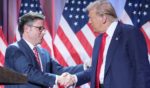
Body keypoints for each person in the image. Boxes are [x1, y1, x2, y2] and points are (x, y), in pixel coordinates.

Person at [68, 0, 150, 88]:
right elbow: (96, 70)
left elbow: (142, 70)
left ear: (103, 18)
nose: (89, 22)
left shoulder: (130, 33)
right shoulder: (98, 40)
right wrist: (74, 78)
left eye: (91, 18)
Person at [4, 12, 84, 88]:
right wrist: (57, 79)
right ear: (27, 29)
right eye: (40, 28)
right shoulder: (14, 49)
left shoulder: (44, 53)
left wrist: (86, 66)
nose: (44, 32)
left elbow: (60, 70)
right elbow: (28, 73)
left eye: (43, 29)